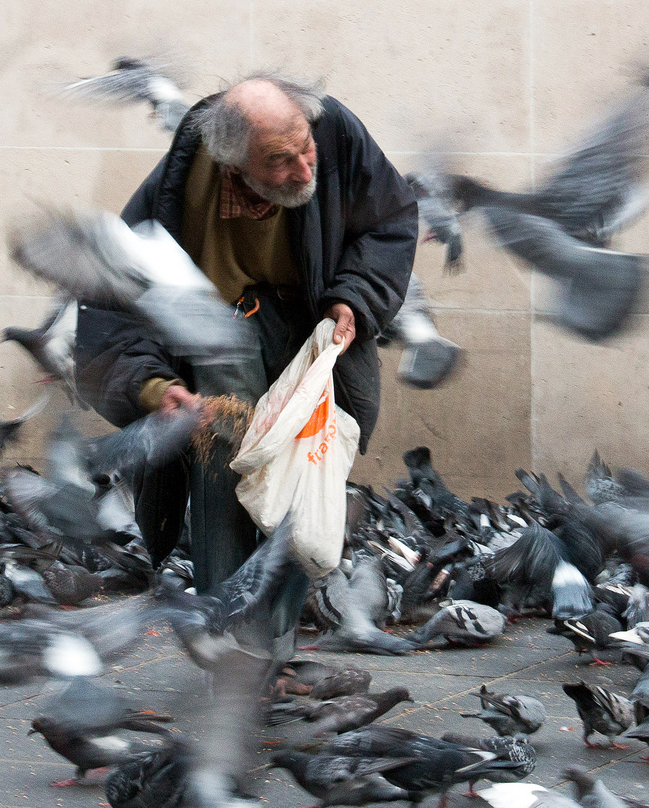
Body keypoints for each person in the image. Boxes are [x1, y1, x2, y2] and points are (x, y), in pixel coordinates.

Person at [74, 74, 417, 647]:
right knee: (225, 474)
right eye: (280, 161)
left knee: (295, 482)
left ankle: (274, 651)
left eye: (305, 147)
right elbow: (114, 303)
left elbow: (389, 221)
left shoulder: (335, 133)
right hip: (220, 335)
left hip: (308, 327)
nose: (305, 169)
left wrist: (353, 296)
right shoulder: (183, 184)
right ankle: (233, 648)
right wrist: (157, 389)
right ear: (233, 165)